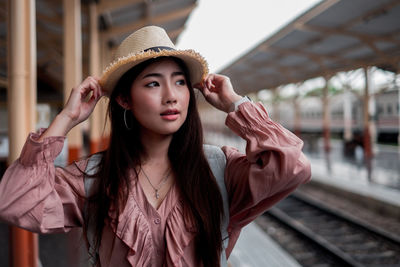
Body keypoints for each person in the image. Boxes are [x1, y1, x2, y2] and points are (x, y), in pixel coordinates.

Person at [0, 26, 311, 267]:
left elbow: (292, 166)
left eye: (179, 82)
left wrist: (236, 105)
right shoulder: (94, 177)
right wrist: (66, 119)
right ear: (124, 99)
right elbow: (17, 203)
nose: (171, 95)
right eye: (153, 83)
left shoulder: (219, 168)